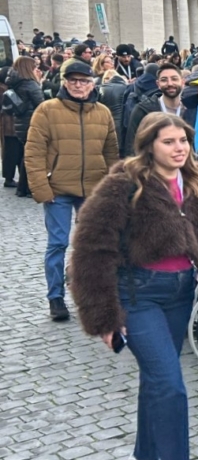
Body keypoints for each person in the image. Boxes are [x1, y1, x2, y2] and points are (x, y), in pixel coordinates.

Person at [68, 112, 198, 460]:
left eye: (183, 140)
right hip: (138, 295)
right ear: (149, 144)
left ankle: (145, 457)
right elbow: (91, 248)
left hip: (180, 294)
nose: (178, 148)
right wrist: (103, 316)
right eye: (168, 141)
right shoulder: (124, 184)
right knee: (170, 383)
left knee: (158, 378)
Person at [25, 60, 120, 320]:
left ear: (93, 84)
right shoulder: (47, 110)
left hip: (93, 187)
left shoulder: (103, 112)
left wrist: (112, 186)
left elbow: (111, 152)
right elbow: (34, 152)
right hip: (58, 189)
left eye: (85, 80)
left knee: (93, 245)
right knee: (57, 243)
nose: (79, 85)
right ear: (65, 82)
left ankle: (92, 295)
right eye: (74, 80)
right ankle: (55, 297)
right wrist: (41, 188)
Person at [123, 64, 185, 157]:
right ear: (158, 84)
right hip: (152, 169)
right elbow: (131, 146)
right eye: (164, 80)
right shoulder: (143, 110)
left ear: (182, 82)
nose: (170, 83)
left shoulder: (191, 110)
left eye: (174, 79)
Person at [6, 55, 43, 198]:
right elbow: (41, 104)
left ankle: (22, 188)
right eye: (35, 67)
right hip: (31, 122)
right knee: (31, 156)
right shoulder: (30, 84)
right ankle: (27, 188)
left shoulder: (15, 82)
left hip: (20, 122)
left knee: (26, 155)